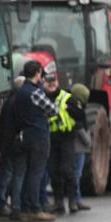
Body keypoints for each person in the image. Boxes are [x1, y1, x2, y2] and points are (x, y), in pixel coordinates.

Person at [13, 60, 58, 222]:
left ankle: (24, 207)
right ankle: (35, 208)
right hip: (38, 136)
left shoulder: (21, 91)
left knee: (26, 173)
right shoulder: (35, 92)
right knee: (36, 173)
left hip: (24, 135)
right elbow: (53, 110)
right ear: (38, 72)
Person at [44, 74, 86, 214]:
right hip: (51, 139)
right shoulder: (42, 98)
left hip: (66, 138)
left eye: (53, 81)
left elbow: (81, 116)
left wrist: (70, 109)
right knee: (53, 171)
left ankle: (73, 201)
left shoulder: (67, 98)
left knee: (67, 170)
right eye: (48, 82)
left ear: (57, 82)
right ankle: (58, 202)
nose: (51, 84)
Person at [0, 76, 26, 216]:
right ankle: (6, 204)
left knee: (6, 173)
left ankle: (1, 202)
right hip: (13, 143)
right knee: (12, 174)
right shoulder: (18, 103)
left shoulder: (8, 102)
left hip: (6, 142)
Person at [70, 83, 92, 211]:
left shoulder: (72, 106)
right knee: (76, 175)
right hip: (78, 148)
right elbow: (79, 127)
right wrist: (88, 141)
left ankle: (75, 199)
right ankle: (76, 199)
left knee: (75, 174)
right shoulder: (77, 109)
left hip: (76, 147)